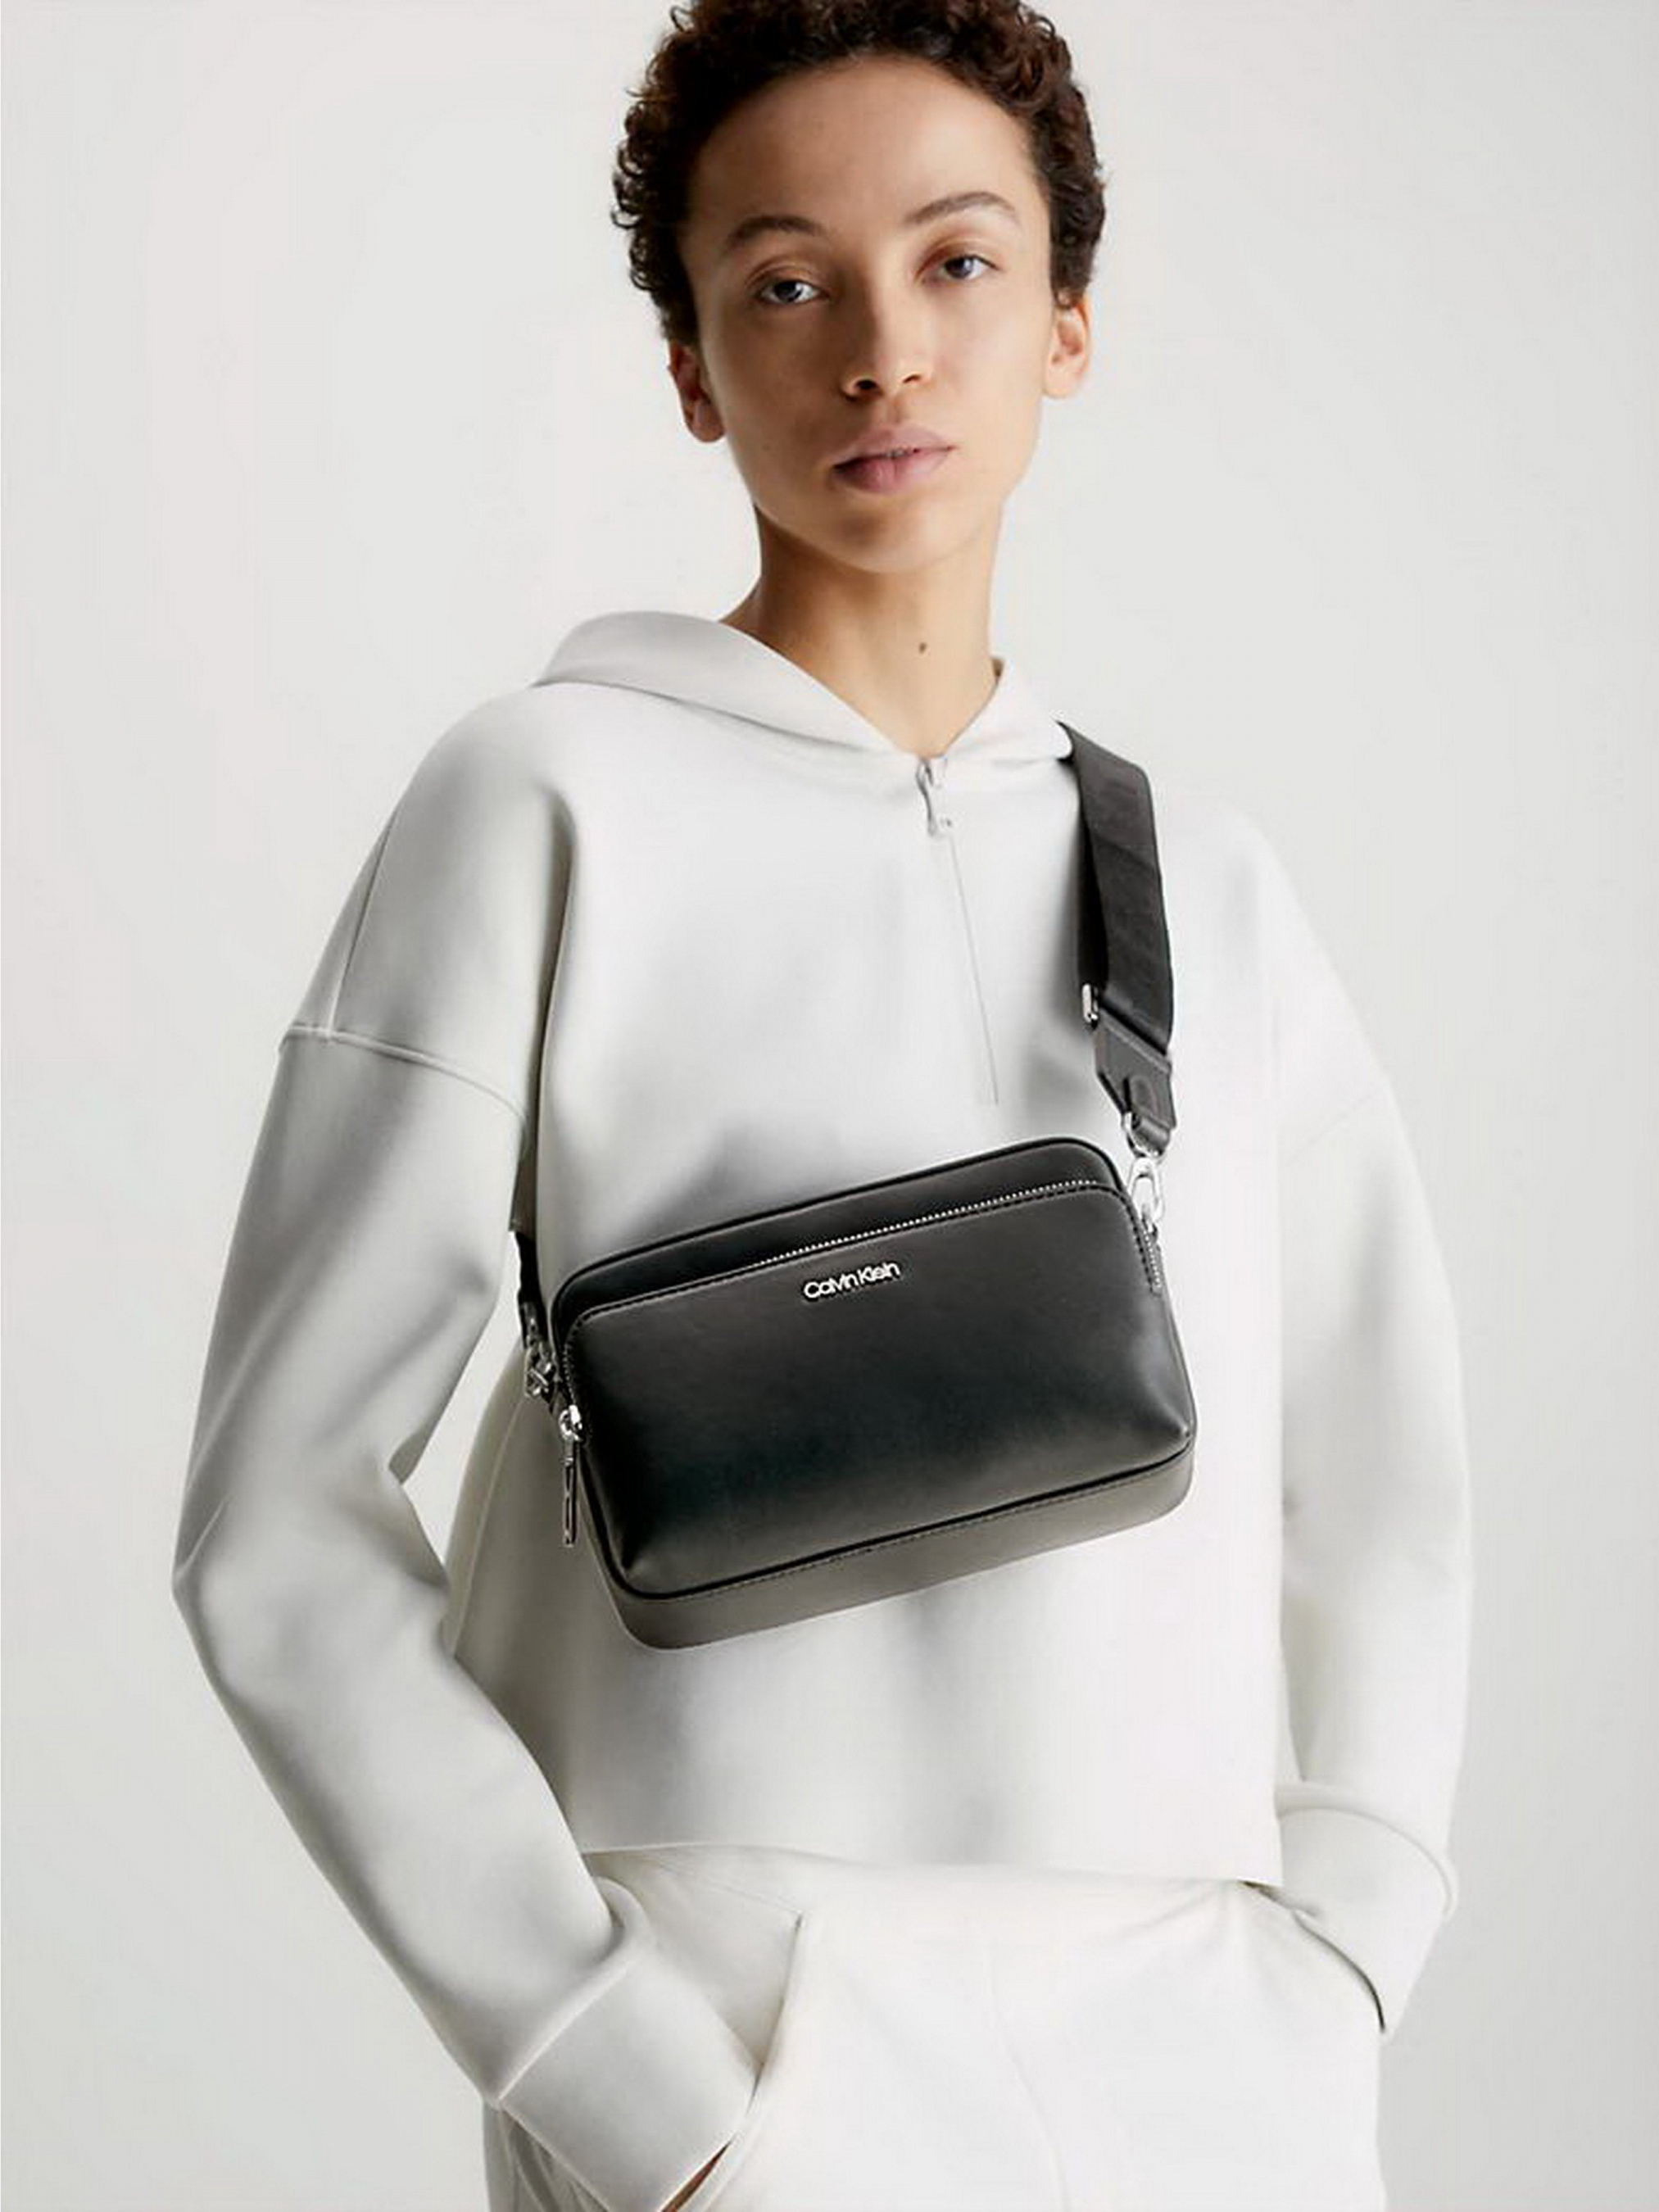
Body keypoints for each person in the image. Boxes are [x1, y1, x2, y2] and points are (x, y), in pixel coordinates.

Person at [170, 3, 1474, 2209]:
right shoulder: (539, 803)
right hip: (736, 2030)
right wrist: (606, 2056)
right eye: (787, 282)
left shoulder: (1208, 886)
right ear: (692, 366)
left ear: (1066, 322)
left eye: (958, 261)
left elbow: (1379, 1473)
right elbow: (274, 1514)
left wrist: (1343, 1934)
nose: (884, 350)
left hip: (1206, 2038)